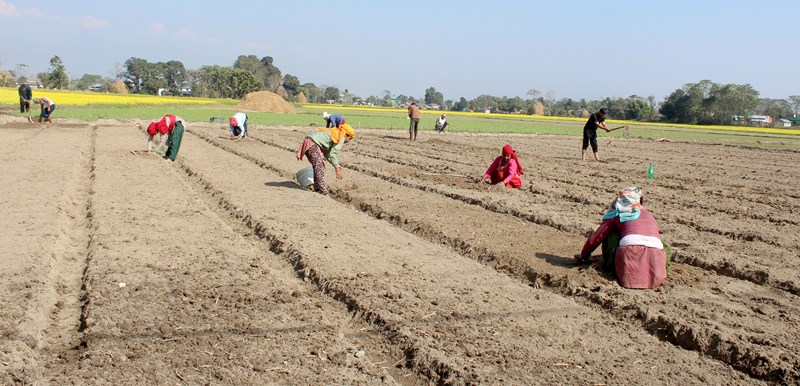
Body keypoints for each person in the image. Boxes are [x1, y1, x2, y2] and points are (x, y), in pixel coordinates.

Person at [575, 186, 669, 289]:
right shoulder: (649, 215)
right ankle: (662, 269)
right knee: (664, 245)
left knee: (610, 236)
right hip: (656, 255)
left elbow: (597, 237)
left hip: (628, 252)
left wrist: (584, 255)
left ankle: (611, 265)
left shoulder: (617, 213)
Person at [295, 124, 356, 195]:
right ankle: (322, 190)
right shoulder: (341, 136)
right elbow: (333, 153)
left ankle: (317, 188)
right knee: (319, 166)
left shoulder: (335, 134)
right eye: (349, 138)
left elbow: (327, 153)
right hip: (313, 143)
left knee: (318, 166)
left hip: (308, 141)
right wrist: (336, 166)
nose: (348, 141)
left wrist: (335, 165)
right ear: (347, 135)